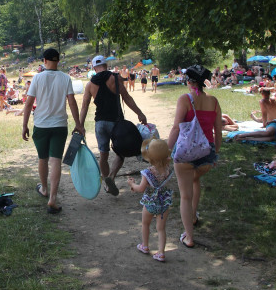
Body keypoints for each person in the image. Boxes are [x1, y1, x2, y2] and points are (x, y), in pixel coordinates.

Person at [22, 48, 85, 213]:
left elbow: (28, 104)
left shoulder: (37, 78)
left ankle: (44, 188)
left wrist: (24, 125)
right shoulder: (65, 78)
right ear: (57, 61)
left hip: (41, 126)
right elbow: (72, 103)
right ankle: (52, 198)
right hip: (59, 126)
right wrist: (78, 124)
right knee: (55, 160)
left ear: (44, 61)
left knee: (42, 159)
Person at [167, 64, 222, 248]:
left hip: (185, 154)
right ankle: (194, 215)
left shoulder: (185, 100)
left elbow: (176, 128)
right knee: (195, 181)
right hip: (206, 153)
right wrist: (216, 154)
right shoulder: (214, 102)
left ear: (189, 82)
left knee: (185, 195)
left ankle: (189, 237)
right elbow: (218, 131)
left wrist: (167, 150)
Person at [79, 55, 147, 196]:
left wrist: (80, 125)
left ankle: (108, 186)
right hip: (116, 123)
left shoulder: (90, 84)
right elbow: (127, 98)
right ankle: (111, 176)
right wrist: (140, 113)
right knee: (120, 153)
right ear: (106, 65)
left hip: (100, 124)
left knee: (103, 155)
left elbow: (84, 106)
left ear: (93, 67)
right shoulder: (114, 79)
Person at [128, 139, 173, 262]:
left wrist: (132, 184)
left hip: (150, 203)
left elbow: (141, 188)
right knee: (161, 229)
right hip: (164, 203)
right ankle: (161, 252)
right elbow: (166, 158)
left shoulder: (147, 172)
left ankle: (145, 245)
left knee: (145, 224)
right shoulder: (168, 169)